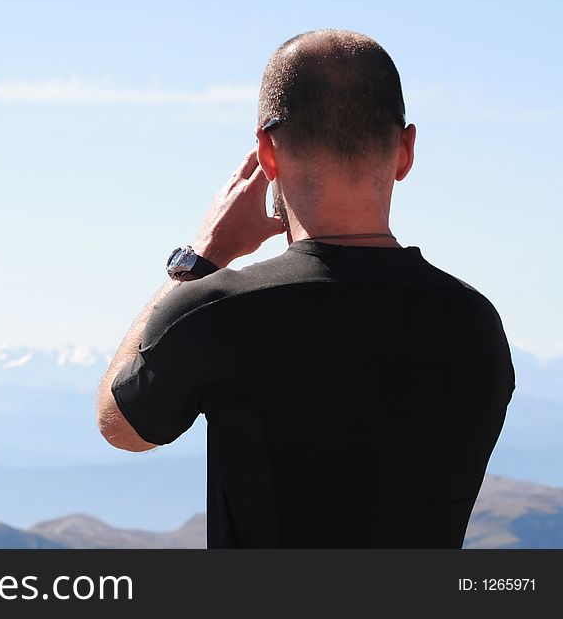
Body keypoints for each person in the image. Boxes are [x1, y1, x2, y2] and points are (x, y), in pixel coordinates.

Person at [94, 29, 516, 548]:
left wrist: (201, 259)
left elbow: (120, 424)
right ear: (405, 150)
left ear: (267, 153)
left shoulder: (220, 313)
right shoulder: (473, 323)